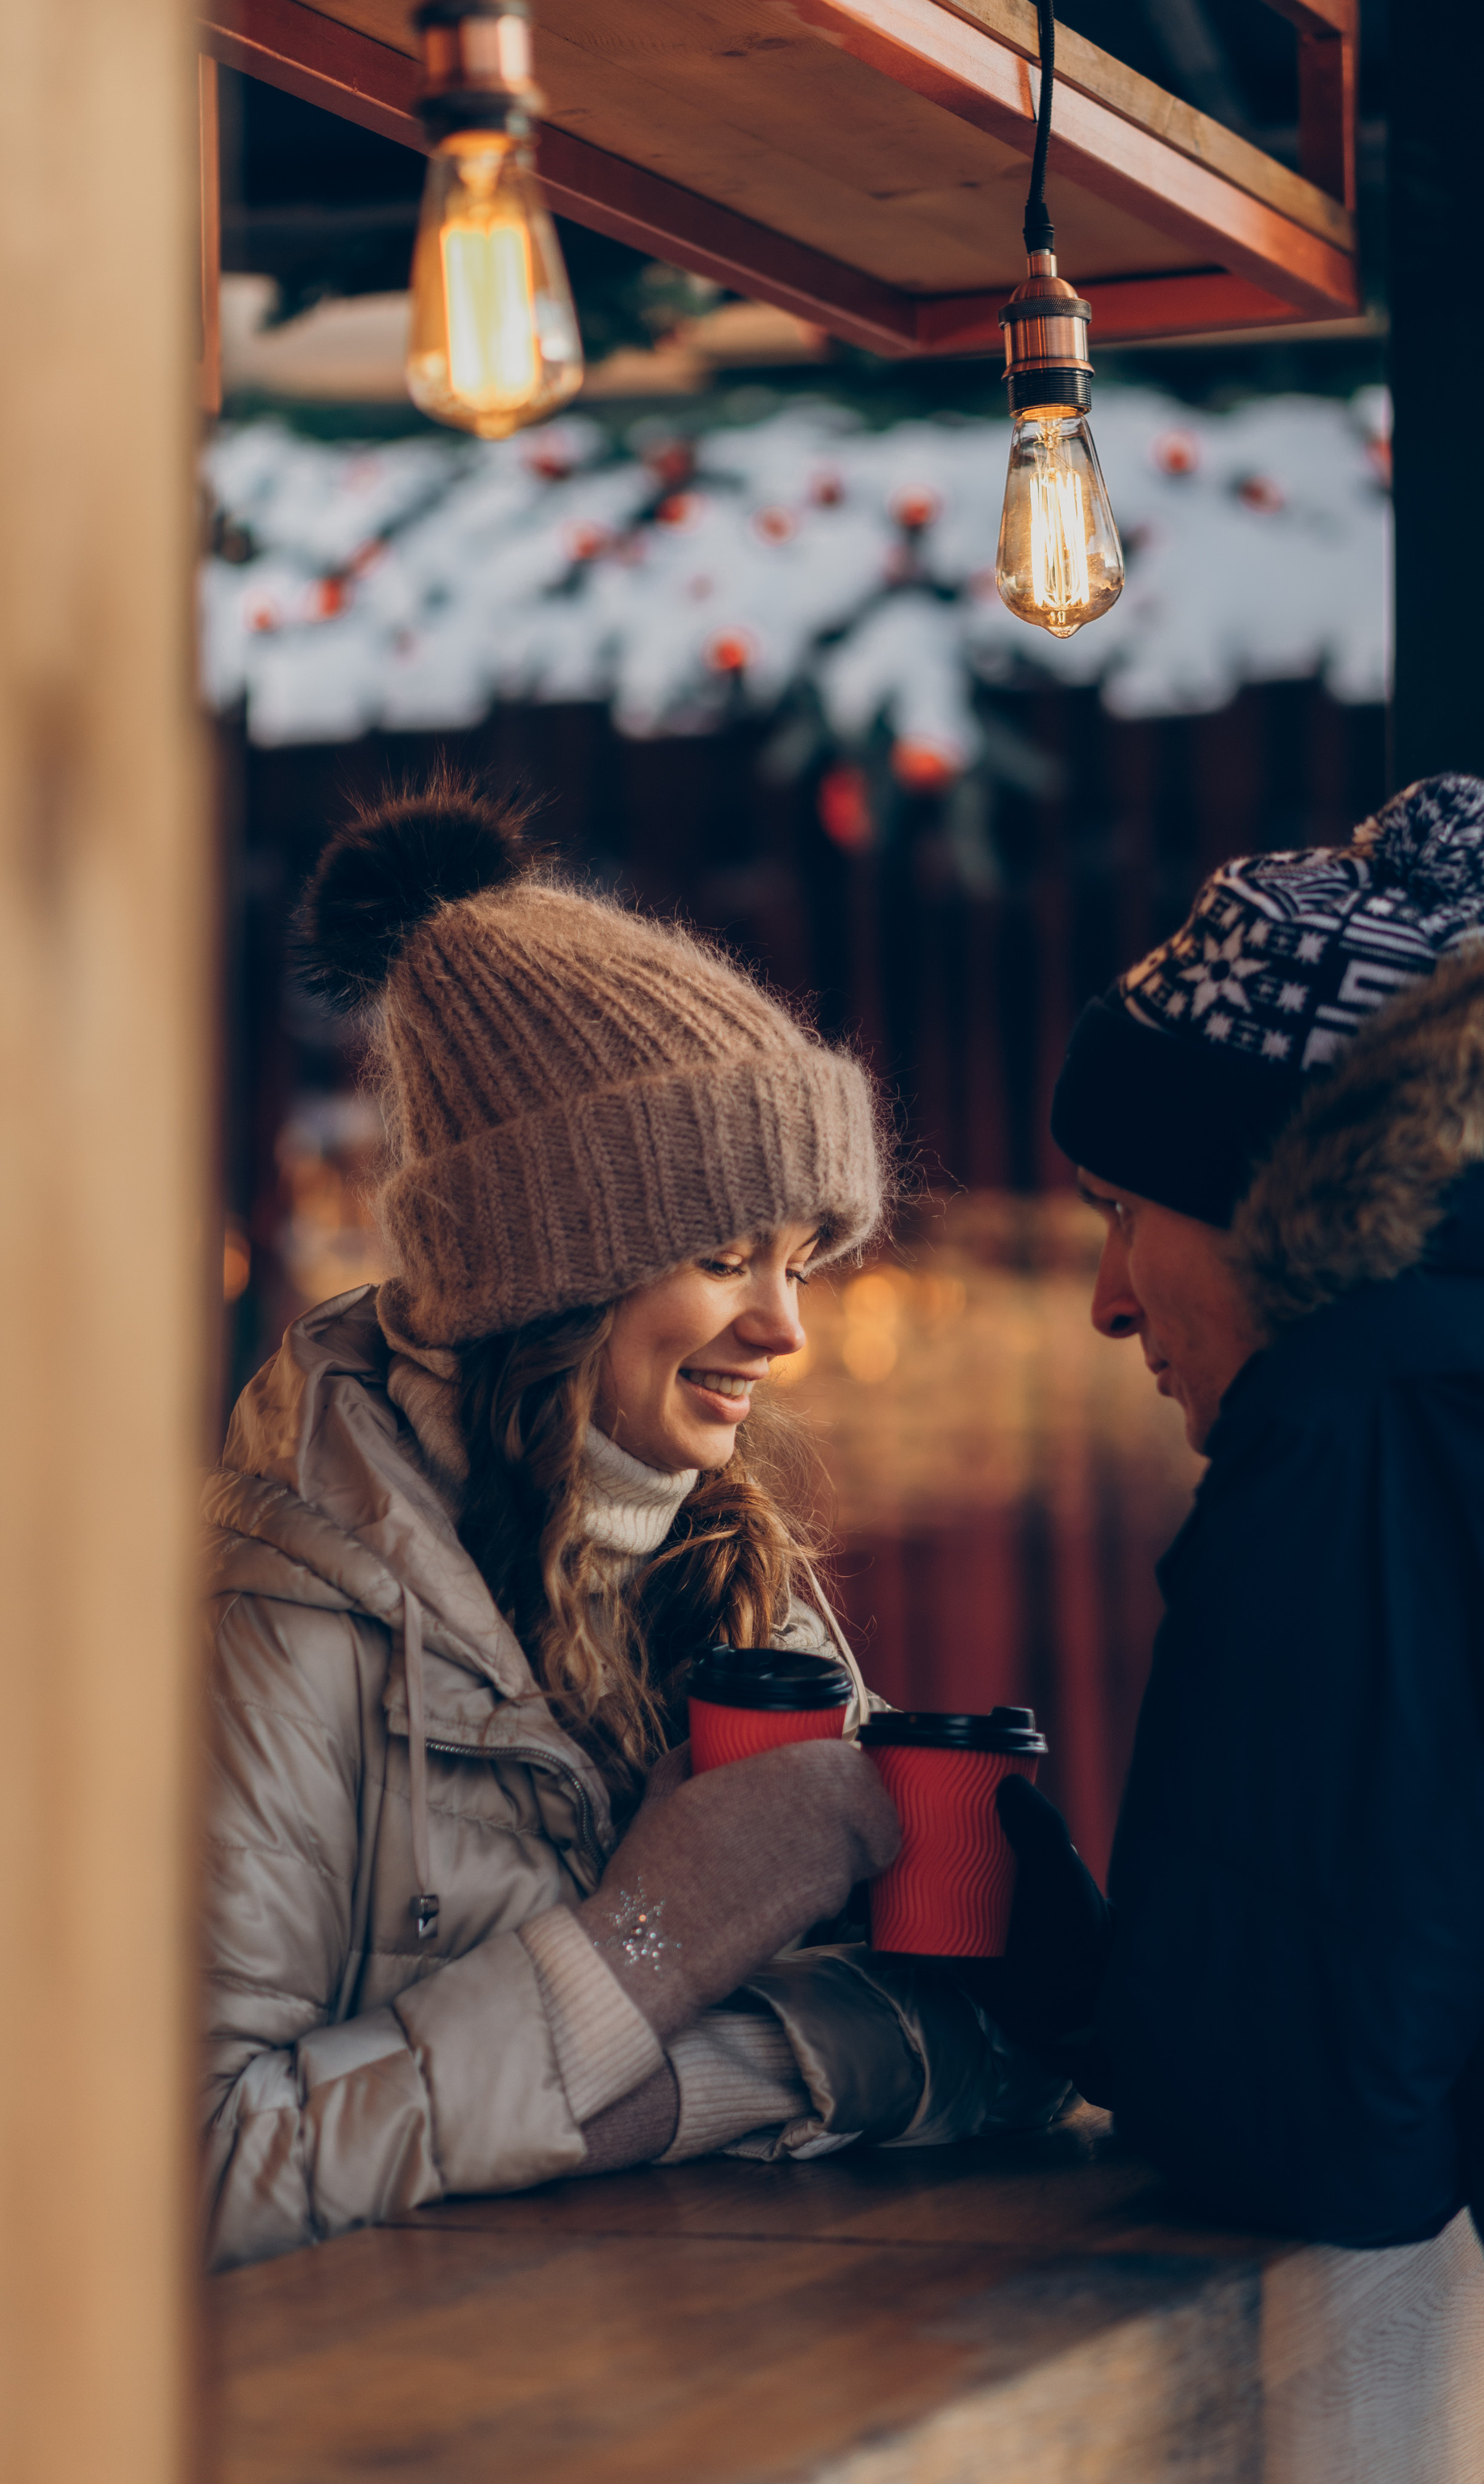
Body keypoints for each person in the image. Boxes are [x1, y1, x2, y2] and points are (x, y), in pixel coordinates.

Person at [201, 775, 1063, 2271]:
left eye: (802, 1258)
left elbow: (996, 2046)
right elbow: (195, 2169)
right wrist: (641, 1949)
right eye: (725, 1255)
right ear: (551, 1274)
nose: (781, 1328)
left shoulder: (726, 1573)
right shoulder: (285, 1606)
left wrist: (673, 2092)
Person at [987, 774, 1484, 2481]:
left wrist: (1047, 1966)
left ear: (1274, 1195)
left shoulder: (1391, 1422)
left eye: (1124, 1208)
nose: (1109, 1296)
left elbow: (1311, 2123)